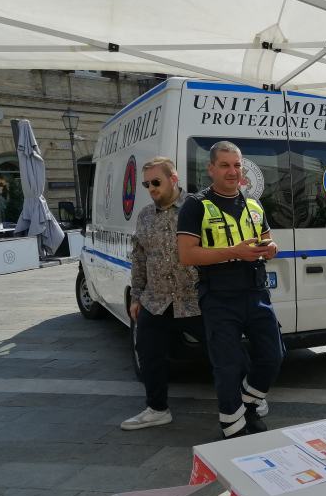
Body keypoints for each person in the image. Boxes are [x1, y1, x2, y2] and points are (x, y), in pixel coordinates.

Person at [177, 141, 284, 439]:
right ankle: (232, 428)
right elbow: (186, 255)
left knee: (273, 355)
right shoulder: (196, 205)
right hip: (219, 296)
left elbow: (267, 240)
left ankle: (248, 405)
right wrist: (233, 252)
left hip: (256, 292)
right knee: (229, 365)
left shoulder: (253, 204)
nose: (232, 171)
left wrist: (271, 248)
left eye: (237, 165)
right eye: (224, 165)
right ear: (211, 169)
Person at [121, 157, 205, 431]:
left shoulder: (197, 207)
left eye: (156, 182)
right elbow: (139, 257)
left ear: (174, 179)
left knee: (224, 350)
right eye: (147, 184)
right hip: (155, 301)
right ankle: (157, 408)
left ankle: (247, 398)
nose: (151, 188)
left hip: (194, 299)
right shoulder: (145, 215)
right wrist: (136, 297)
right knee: (148, 353)